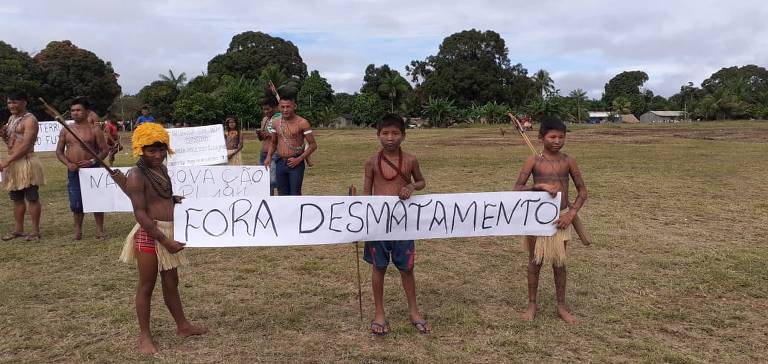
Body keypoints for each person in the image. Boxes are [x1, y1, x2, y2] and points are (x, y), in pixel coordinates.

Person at [118, 122, 207, 355]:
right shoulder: (136, 175)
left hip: (170, 231)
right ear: (140, 150)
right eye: (151, 151)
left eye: (161, 150)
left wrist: (173, 198)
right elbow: (140, 212)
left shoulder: (162, 170)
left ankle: (183, 326)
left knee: (171, 283)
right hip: (150, 234)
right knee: (147, 285)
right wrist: (164, 240)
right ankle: (144, 335)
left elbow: (160, 195)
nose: (157, 155)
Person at [513, 117, 588, 324]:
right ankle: (531, 304)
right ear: (541, 138)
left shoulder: (568, 161)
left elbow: (583, 191)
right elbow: (516, 189)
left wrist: (570, 214)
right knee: (534, 262)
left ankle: (561, 306)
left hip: (561, 219)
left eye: (561, 137)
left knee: (559, 263)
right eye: (552, 136)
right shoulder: (533, 160)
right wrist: (538, 187)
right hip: (536, 220)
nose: (557, 141)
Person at [361, 114, 429, 336]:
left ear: (404, 136)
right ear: (378, 135)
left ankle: (414, 311)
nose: (390, 138)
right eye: (385, 133)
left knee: (407, 268)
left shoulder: (410, 160)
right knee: (378, 267)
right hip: (379, 224)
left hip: (403, 224)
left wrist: (410, 186)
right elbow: (366, 193)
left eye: (395, 133)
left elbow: (421, 182)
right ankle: (379, 313)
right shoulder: (372, 161)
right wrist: (363, 218)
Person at [55, 97, 109, 240]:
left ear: (87, 111)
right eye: (73, 110)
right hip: (74, 170)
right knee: (76, 201)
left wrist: (92, 161)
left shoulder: (95, 130)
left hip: (93, 170)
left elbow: (104, 150)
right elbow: (59, 152)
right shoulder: (66, 130)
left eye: (79, 110)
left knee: (96, 200)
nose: (75, 113)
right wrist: (68, 163)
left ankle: (100, 230)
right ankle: (78, 231)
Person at [0, 91, 44, 242]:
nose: (11, 105)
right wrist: (3, 134)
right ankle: (18, 230)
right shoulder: (12, 119)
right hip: (13, 164)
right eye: (9, 102)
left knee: (32, 197)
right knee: (17, 199)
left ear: (24, 102)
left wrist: (7, 161)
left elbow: (26, 145)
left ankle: (35, 232)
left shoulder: (30, 120)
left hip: (27, 163)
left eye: (15, 102)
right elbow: (10, 141)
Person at [264, 94, 317, 196]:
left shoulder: (302, 123)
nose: (285, 110)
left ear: (294, 106)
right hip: (280, 162)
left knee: (295, 194)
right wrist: (269, 156)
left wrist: (299, 159)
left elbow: (313, 145)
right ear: (279, 107)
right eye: (282, 107)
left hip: (296, 163)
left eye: (288, 106)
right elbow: (274, 142)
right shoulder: (275, 122)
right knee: (282, 194)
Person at [257, 96, 280, 194]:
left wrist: (269, 134)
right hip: (263, 153)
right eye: (264, 109)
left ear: (275, 108)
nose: (265, 111)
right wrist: (260, 134)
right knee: (265, 182)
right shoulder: (265, 119)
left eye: (268, 109)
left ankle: (280, 201)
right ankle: (269, 201)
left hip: (275, 154)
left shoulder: (280, 118)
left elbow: (283, 136)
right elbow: (261, 139)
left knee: (274, 181)